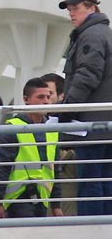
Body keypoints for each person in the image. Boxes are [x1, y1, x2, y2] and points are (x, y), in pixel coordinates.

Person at [59, 0, 112, 215]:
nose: (71, 13)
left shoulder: (90, 35)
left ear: (92, 7)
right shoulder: (104, 33)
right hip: (105, 124)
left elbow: (88, 73)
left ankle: (92, 229)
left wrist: (68, 108)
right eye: (70, 9)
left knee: (90, 182)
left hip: (91, 125)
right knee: (105, 181)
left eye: (76, 8)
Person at [0, 78, 63, 218]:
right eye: (40, 97)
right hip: (18, 199)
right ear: (26, 99)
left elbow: (55, 170)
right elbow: (1, 168)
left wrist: (56, 205)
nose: (46, 102)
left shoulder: (52, 130)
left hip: (42, 198)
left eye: (48, 97)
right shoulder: (13, 127)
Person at [41, 73, 77, 216]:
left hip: (64, 179)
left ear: (61, 96)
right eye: (41, 95)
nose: (45, 100)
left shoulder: (71, 122)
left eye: (49, 94)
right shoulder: (33, 123)